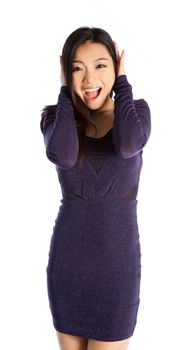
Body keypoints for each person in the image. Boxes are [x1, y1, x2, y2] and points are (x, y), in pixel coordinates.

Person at [40, 26, 151, 350]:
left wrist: (123, 86)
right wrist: (64, 92)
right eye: (77, 68)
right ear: (66, 72)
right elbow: (63, 154)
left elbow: (129, 144)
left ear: (116, 67)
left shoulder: (136, 114)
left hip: (117, 272)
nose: (89, 80)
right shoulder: (55, 120)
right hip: (69, 266)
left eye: (100, 65)